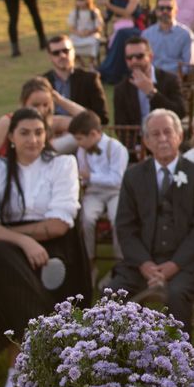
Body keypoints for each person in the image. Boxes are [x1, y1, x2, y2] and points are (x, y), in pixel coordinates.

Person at [0, 107, 85, 385]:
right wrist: (24, 241)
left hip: (56, 251)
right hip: (11, 251)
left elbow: (58, 226)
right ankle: (34, 358)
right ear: (12, 137)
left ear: (47, 135)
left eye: (39, 132)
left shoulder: (62, 164)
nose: (33, 140)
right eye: (25, 133)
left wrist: (7, 233)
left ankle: (19, 365)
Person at [105, 110, 194, 328]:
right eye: (155, 134)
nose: (162, 138)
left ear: (180, 136)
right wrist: (145, 264)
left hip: (184, 264)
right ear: (146, 141)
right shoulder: (133, 176)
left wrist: (174, 266)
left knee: (176, 295)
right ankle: (115, 355)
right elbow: (125, 227)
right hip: (141, 262)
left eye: (168, 132)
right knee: (113, 295)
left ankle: (179, 358)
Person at [69, 110, 127, 286]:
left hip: (115, 192)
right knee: (86, 219)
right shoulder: (82, 150)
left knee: (118, 218)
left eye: (80, 138)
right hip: (94, 192)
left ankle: (119, 265)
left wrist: (90, 176)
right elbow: (83, 176)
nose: (78, 143)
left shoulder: (117, 149)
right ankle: (90, 263)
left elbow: (117, 179)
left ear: (93, 134)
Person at [112, 37, 188, 130]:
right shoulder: (121, 88)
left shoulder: (170, 80)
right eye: (129, 58)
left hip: (167, 138)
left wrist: (152, 93)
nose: (134, 61)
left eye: (139, 56)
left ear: (150, 57)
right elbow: (120, 127)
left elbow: (180, 113)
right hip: (137, 141)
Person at [44, 34, 108, 123]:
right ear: (50, 56)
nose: (62, 55)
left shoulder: (90, 79)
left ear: (73, 51)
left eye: (66, 51)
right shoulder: (43, 82)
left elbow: (103, 118)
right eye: (56, 53)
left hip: (81, 133)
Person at [140, 0, 194, 80]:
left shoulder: (186, 34)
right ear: (156, 11)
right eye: (161, 8)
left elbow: (189, 65)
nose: (165, 11)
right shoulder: (146, 34)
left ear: (176, 11)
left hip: (176, 79)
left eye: (169, 8)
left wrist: (176, 79)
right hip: (152, 78)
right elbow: (143, 61)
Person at [66, 0, 104, 64]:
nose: (79, 2)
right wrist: (78, 33)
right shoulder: (75, 13)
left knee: (94, 41)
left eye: (82, 0)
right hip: (78, 35)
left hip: (91, 35)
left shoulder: (94, 12)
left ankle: (91, 63)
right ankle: (80, 63)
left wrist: (89, 32)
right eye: (78, 0)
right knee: (70, 42)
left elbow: (99, 27)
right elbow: (71, 27)